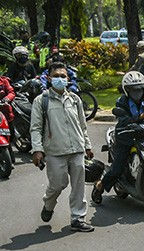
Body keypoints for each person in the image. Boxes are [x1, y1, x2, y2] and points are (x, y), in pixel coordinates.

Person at [30, 62, 94, 232]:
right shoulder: (41, 101)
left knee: (79, 185)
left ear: (68, 78)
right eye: (56, 76)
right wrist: (37, 149)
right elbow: (35, 128)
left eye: (63, 76)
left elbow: (82, 125)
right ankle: (48, 204)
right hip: (55, 151)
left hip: (77, 149)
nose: (60, 79)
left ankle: (78, 218)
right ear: (49, 78)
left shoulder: (75, 99)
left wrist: (87, 145)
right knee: (58, 184)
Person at [90, 72, 144, 204]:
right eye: (133, 90)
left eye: (139, 89)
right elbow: (123, 120)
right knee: (117, 169)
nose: (137, 93)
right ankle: (100, 186)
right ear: (127, 90)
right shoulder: (122, 102)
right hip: (126, 135)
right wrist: (140, 117)